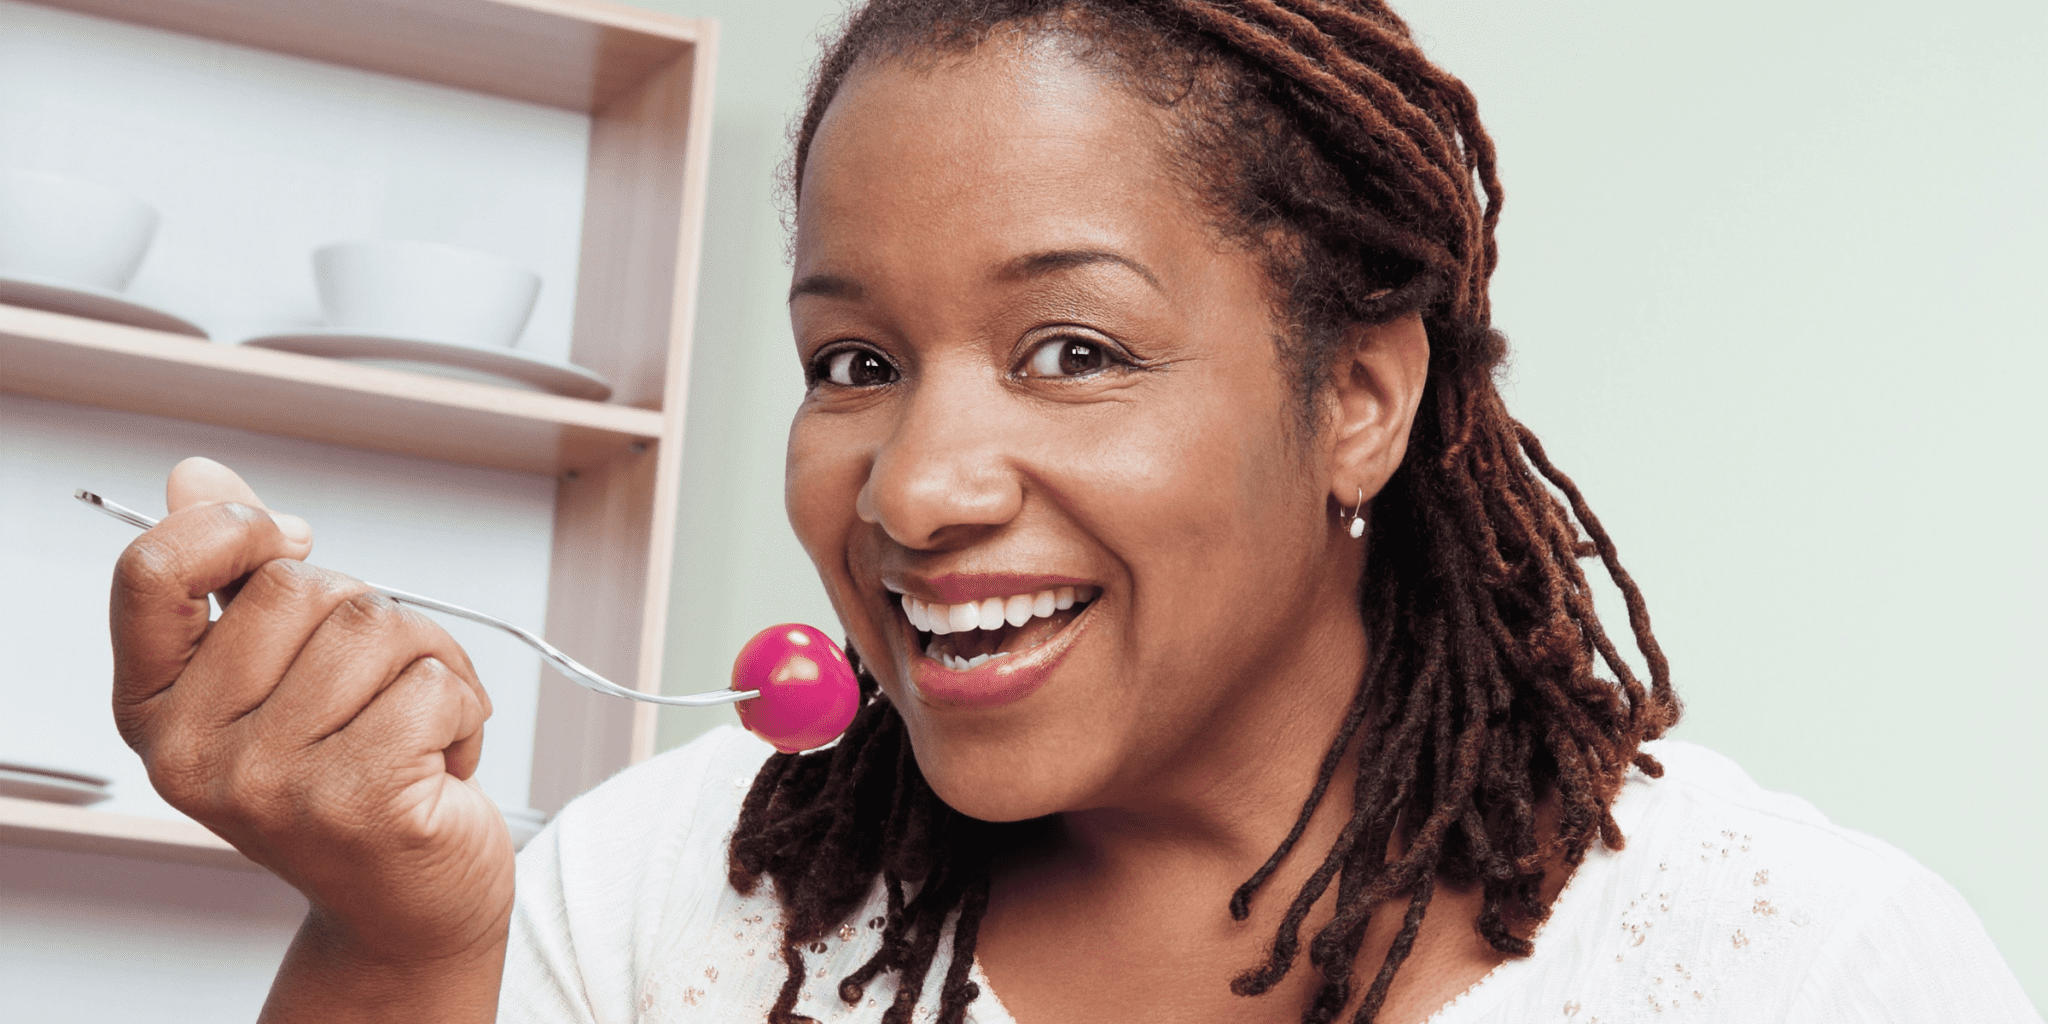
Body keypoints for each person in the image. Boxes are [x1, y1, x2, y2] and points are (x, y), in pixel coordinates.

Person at [106, 2, 2038, 1022]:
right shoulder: (636, 904)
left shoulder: (1804, 965)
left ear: (1358, 396)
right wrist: (385, 943)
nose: (920, 490)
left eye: (1073, 352)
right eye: (853, 363)